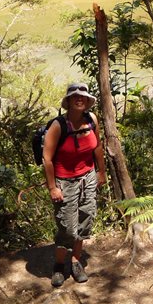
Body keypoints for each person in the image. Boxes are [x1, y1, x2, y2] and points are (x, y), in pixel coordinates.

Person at [42, 82, 107, 287]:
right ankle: (59, 266)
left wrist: (101, 171)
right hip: (64, 181)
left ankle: (76, 261)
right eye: (75, 96)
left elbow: (97, 147)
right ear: (68, 101)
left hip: (87, 177)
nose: (80, 99)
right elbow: (47, 159)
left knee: (85, 221)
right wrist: (53, 187)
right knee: (67, 228)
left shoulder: (91, 119)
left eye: (83, 96)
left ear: (87, 101)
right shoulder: (58, 126)